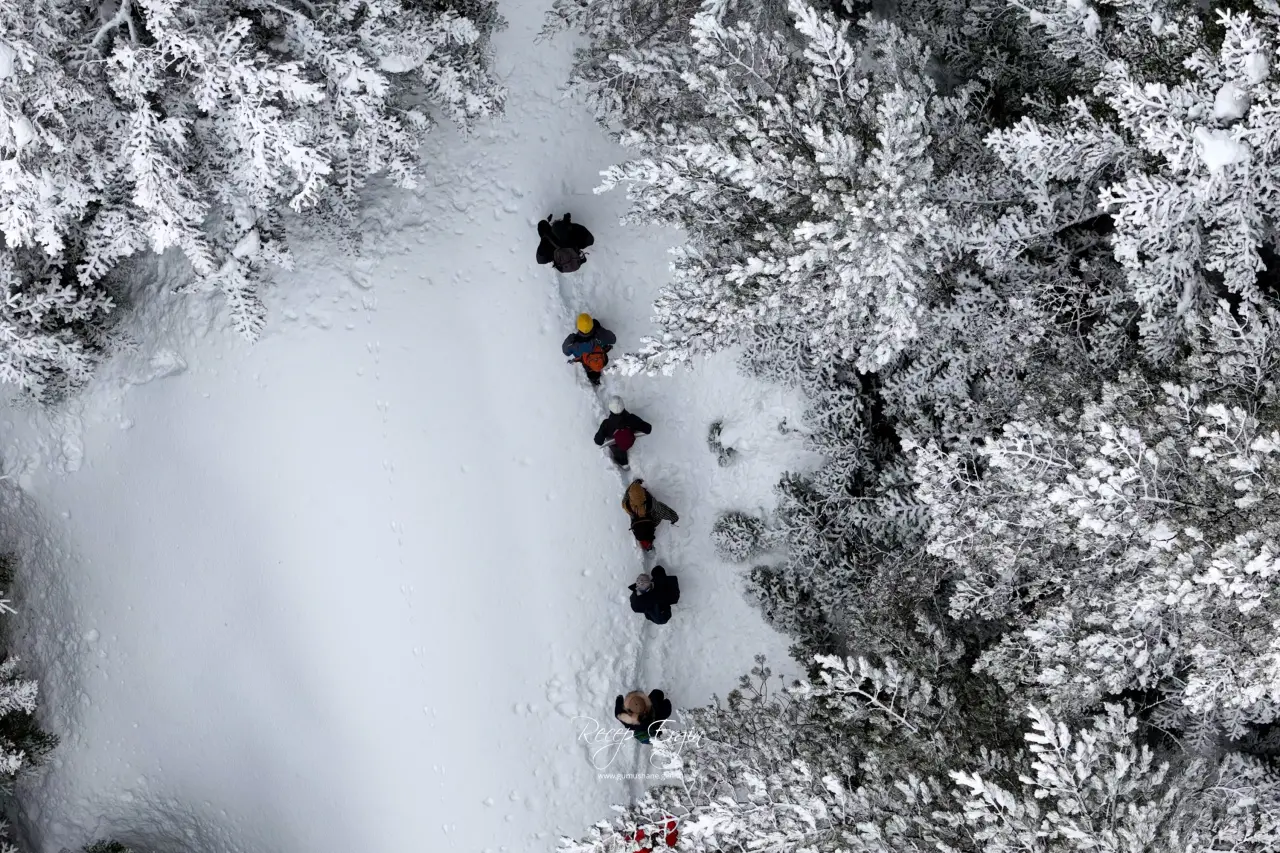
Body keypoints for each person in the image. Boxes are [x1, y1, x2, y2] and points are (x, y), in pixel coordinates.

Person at [593, 397, 652, 469]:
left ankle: (623, 463)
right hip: (629, 440)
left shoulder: (606, 424)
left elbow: (598, 441)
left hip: (616, 446)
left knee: (618, 450)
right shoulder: (632, 419)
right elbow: (648, 429)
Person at [621, 478, 679, 551]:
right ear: (643, 494)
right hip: (650, 521)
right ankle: (648, 540)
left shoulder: (626, 505)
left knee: (634, 517)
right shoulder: (650, 503)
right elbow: (663, 511)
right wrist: (674, 518)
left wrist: (634, 483)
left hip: (637, 522)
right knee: (658, 513)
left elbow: (626, 494)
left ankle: (646, 542)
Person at [562, 313, 616, 386]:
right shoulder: (599, 334)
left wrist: (569, 339)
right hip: (601, 358)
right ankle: (597, 375)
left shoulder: (574, 343)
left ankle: (594, 379)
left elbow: (566, 352)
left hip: (586, 361)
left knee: (588, 366)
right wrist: (599, 329)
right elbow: (613, 339)